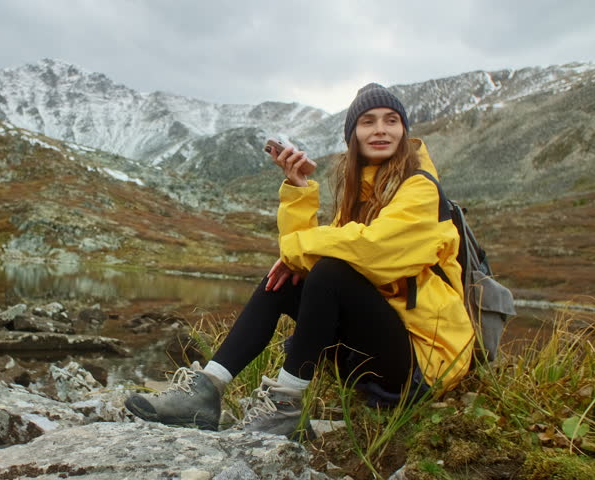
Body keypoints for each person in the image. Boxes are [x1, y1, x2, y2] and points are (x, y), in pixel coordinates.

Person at [124, 83, 475, 436]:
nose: (381, 129)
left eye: (391, 120)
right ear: (353, 134)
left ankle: (285, 407)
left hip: (420, 360)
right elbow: (314, 253)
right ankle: (205, 391)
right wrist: (300, 190)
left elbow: (377, 252)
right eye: (368, 121)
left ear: (404, 131)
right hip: (374, 348)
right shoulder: (361, 192)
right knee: (290, 277)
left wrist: (298, 253)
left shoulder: (420, 188)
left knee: (327, 271)